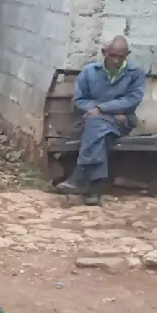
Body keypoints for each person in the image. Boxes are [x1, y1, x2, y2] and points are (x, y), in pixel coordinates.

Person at [55, 35, 146, 205]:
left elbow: (132, 100)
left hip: (122, 122)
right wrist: (104, 111)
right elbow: (80, 99)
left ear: (127, 55)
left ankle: (80, 176)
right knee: (99, 131)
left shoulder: (135, 74)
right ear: (104, 53)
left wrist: (101, 108)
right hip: (102, 119)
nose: (116, 60)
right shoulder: (89, 72)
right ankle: (94, 189)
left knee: (95, 124)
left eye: (121, 56)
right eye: (113, 55)